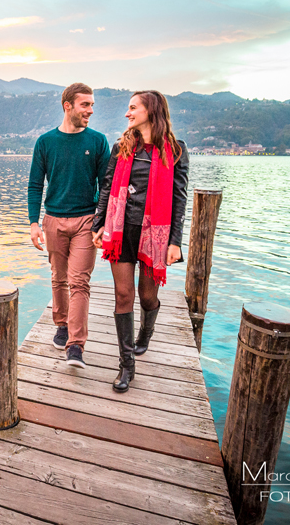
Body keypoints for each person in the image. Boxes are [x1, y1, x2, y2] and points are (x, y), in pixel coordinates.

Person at [91, 90, 189, 392]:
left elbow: (179, 198)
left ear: (151, 111)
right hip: (121, 232)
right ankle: (126, 365)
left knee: (147, 297)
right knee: (123, 295)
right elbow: (107, 186)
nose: (127, 113)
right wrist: (99, 224)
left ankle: (146, 332)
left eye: (133, 108)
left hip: (154, 235)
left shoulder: (175, 149)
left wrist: (175, 242)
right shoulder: (121, 146)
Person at [28, 83, 111, 369]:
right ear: (68, 106)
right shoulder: (45, 142)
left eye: (91, 105)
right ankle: (61, 325)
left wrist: (101, 223)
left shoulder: (98, 141)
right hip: (52, 219)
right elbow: (35, 185)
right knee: (58, 277)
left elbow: (107, 186)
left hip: (86, 221)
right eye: (84, 105)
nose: (90, 110)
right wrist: (33, 223)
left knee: (79, 282)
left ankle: (75, 345)